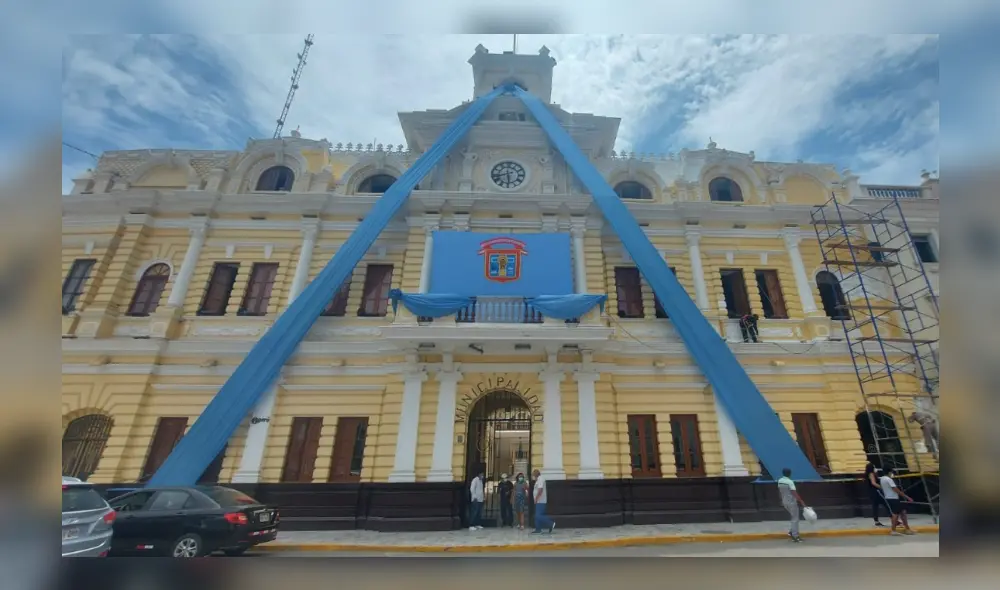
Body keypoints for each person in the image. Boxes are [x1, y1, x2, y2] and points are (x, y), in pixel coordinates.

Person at [879, 467, 916, 535]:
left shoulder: (882, 479)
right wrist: (907, 497)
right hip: (893, 498)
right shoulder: (888, 479)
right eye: (891, 472)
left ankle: (907, 529)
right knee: (895, 514)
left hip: (889, 498)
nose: (892, 474)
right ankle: (893, 530)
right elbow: (896, 490)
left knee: (903, 512)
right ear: (889, 472)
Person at [777, 467, 807, 542]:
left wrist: (781, 500)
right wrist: (801, 501)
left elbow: (780, 492)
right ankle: (795, 536)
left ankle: (791, 532)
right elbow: (794, 493)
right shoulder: (790, 482)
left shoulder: (780, 481)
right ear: (789, 474)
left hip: (784, 502)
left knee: (793, 517)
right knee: (795, 519)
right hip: (791, 502)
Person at [531, 469, 555, 534]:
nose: (532, 476)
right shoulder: (538, 480)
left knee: (538, 516)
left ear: (535, 474)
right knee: (537, 515)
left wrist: (536, 498)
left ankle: (551, 523)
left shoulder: (540, 479)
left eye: (533, 475)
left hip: (541, 500)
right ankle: (538, 529)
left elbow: (540, 490)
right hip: (538, 500)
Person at [864, 461, 887, 527]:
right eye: (874, 467)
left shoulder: (869, 474)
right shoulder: (871, 474)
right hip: (876, 492)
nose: (875, 468)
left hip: (872, 492)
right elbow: (873, 483)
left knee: (875, 506)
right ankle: (894, 518)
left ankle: (876, 521)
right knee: (886, 503)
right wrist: (882, 487)